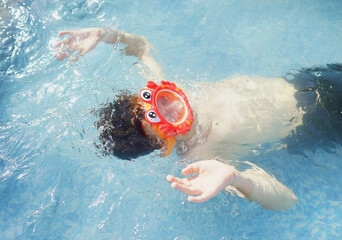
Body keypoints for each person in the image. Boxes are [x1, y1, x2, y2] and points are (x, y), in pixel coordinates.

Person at [54, 27, 342, 211]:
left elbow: (141, 48)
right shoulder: (201, 156)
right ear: (165, 145)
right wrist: (237, 178)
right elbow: (286, 200)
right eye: (161, 120)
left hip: (304, 82)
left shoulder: (159, 91)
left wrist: (107, 35)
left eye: (160, 101)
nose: (173, 106)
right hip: (319, 122)